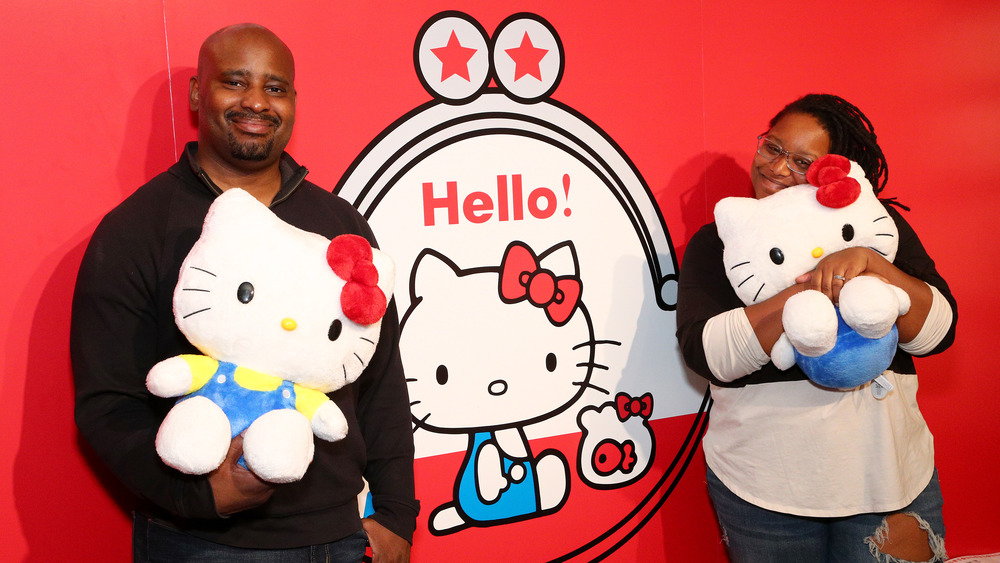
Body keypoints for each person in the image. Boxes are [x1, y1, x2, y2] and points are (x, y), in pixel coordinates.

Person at [71, 23, 418, 562]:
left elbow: (381, 382)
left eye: (275, 88)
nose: (256, 101)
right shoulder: (135, 230)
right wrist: (199, 496)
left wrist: (396, 514)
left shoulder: (340, 228)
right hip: (197, 543)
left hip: (337, 538)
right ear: (196, 93)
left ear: (294, 102)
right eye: (235, 82)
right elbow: (106, 404)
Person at [676, 94, 957, 562]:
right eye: (773, 147)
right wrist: (806, 291)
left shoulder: (876, 224)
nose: (778, 167)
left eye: (802, 161)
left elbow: (937, 332)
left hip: (887, 478)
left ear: (835, 170)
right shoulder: (720, 241)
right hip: (763, 487)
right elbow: (710, 357)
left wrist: (870, 264)